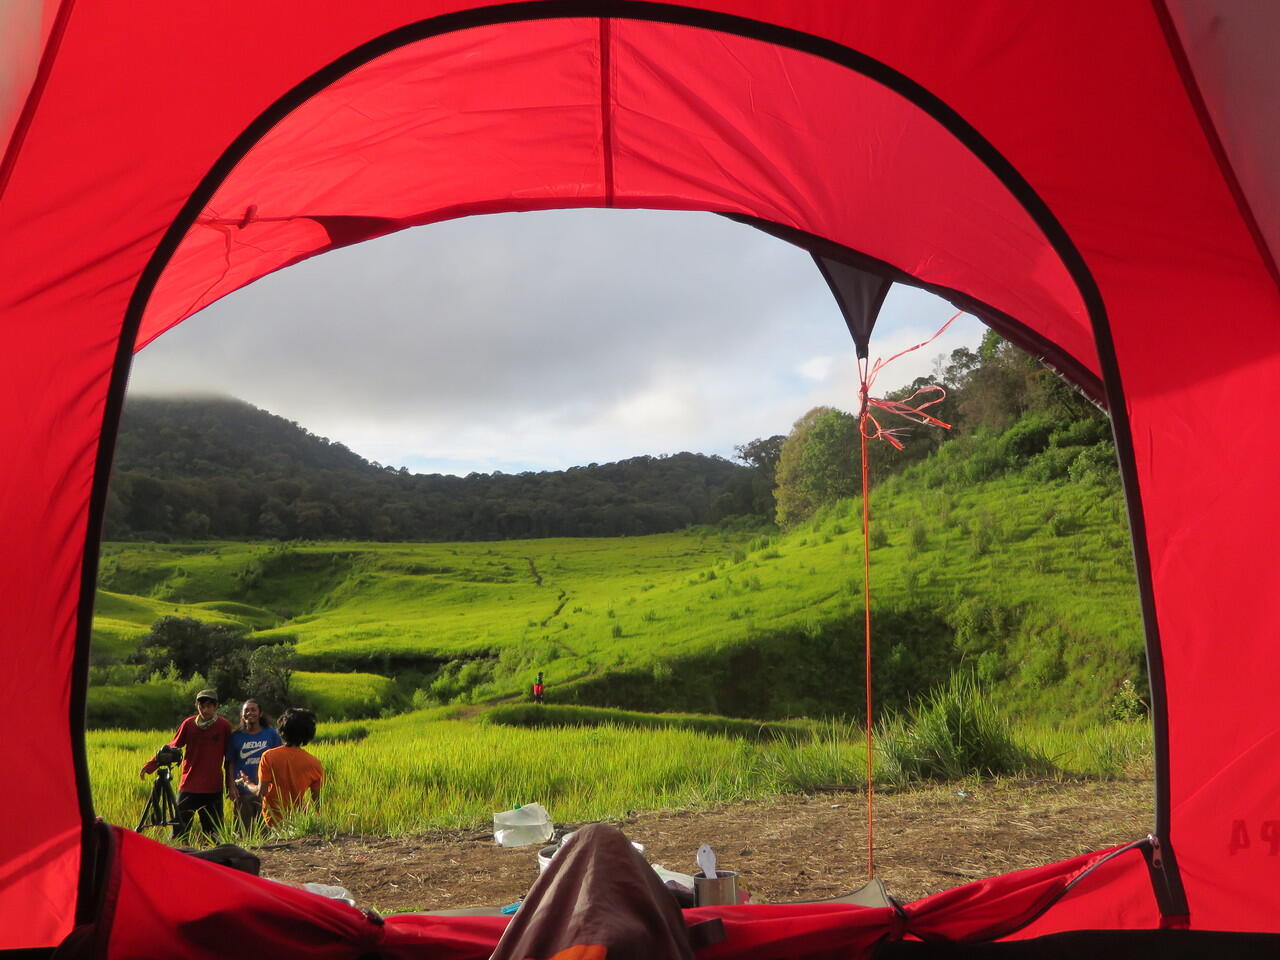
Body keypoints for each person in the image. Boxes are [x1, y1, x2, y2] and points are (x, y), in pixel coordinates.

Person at [139, 688, 234, 841]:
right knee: (178, 831)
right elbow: (172, 747)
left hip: (212, 787)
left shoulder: (224, 726)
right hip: (189, 785)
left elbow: (230, 758)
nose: (205, 709)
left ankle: (211, 862)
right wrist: (151, 765)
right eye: (202, 705)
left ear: (216, 707)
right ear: (197, 706)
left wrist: (231, 786)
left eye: (209, 705)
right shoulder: (189, 724)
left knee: (213, 834)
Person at [237, 707, 323, 829]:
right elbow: (317, 803)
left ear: (283, 730)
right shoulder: (314, 763)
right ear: (309, 733)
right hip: (300, 821)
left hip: (273, 820)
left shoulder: (269, 756)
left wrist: (246, 783)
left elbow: (261, 791)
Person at [226, 699, 282, 830]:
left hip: (266, 792)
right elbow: (230, 762)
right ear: (242, 714)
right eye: (246, 710)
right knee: (243, 832)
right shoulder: (236, 736)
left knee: (268, 831)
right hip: (243, 792)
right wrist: (231, 786)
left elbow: (279, 760)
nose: (250, 713)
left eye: (253, 710)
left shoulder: (272, 734)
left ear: (260, 713)